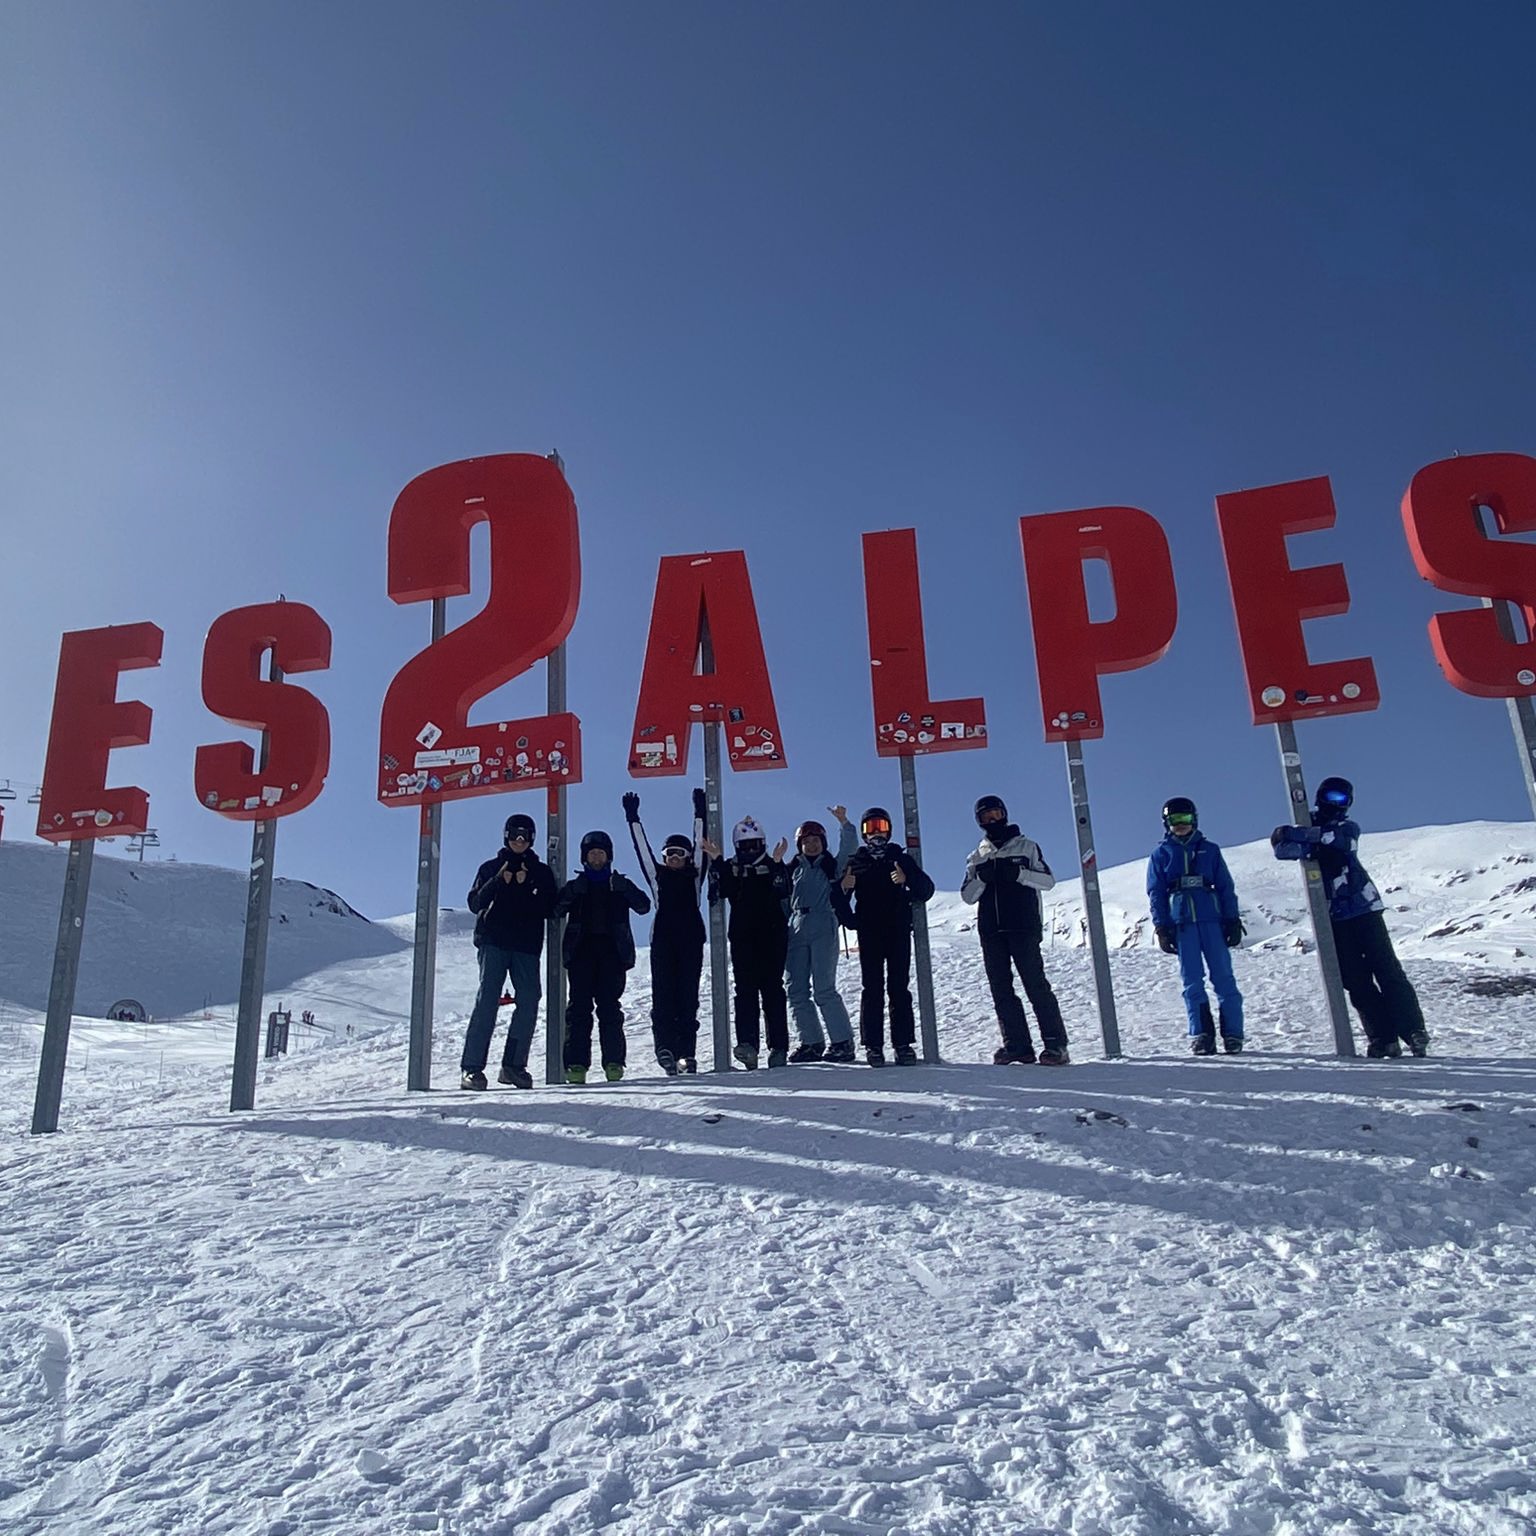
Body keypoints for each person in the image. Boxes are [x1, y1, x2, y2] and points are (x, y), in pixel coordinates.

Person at [1272, 776, 1429, 1058]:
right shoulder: (1310, 827)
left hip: (1363, 908)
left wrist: (1302, 835)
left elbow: (1341, 842)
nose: (1335, 805)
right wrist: (1294, 836)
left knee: (1387, 970)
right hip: (1332, 916)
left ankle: (1413, 1030)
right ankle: (1382, 1037)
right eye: (1331, 798)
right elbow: (1283, 849)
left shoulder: (1346, 828)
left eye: (1341, 800)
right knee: (1356, 980)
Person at [961, 795, 1070, 1066]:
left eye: (996, 814)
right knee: (1001, 988)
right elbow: (967, 895)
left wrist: (1018, 874)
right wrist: (982, 880)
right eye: (986, 817)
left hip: (1023, 926)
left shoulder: (1026, 846)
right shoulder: (977, 856)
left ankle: (1056, 1045)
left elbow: (1047, 880)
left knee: (1035, 984)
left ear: (1005, 814)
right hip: (992, 930)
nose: (993, 820)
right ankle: (1017, 1045)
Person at [460, 812, 558, 1090]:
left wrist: (528, 886)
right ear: (506, 835)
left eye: (525, 835)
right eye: (515, 834)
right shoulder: (491, 867)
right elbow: (475, 902)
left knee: (528, 1001)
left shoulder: (541, 872)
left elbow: (550, 907)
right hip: (494, 940)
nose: (519, 840)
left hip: (526, 944)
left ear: (532, 839)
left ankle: (513, 1066)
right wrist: (499, 880)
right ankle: (471, 1068)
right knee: (487, 1000)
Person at [624, 787, 713, 1075]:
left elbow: (701, 844)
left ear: (687, 857)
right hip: (663, 941)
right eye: (669, 853)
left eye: (679, 853)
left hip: (690, 941)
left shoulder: (695, 876)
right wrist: (632, 817)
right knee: (663, 997)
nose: (674, 857)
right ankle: (665, 1049)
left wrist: (700, 811)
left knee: (688, 998)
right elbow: (642, 849)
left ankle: (686, 1053)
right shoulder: (657, 876)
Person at [1147, 796, 1245, 1055]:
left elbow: (1225, 886)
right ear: (1166, 824)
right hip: (1183, 924)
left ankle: (1233, 1034)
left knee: (1224, 978)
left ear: (1194, 820)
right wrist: (1162, 926)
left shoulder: (1209, 850)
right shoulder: (1161, 854)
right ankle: (1201, 1034)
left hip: (1210, 919)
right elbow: (1156, 892)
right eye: (1175, 821)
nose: (1180, 826)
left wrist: (1232, 919)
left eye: (1185, 820)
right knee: (1192, 981)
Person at [553, 829, 652, 1083]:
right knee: (578, 1010)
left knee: (609, 1008)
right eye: (592, 853)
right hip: (581, 953)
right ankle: (576, 1065)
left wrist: (624, 888)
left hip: (613, 954)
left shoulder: (618, 883)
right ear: (584, 858)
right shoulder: (577, 885)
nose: (596, 857)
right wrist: (574, 892)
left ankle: (614, 1063)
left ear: (609, 856)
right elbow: (555, 909)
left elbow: (643, 906)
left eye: (601, 853)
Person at [839, 806, 935, 1066]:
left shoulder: (900, 858)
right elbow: (838, 900)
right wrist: (847, 900)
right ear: (863, 833)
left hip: (897, 930)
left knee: (898, 987)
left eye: (880, 827)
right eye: (870, 828)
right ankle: (873, 1046)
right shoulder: (857, 861)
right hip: (870, 933)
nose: (876, 834)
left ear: (889, 830)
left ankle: (903, 1045)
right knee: (872, 989)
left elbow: (926, 890)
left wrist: (907, 879)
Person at [711, 815, 793, 1069]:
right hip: (743, 937)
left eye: (755, 845)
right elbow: (722, 890)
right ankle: (748, 1045)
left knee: (772, 990)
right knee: (744, 991)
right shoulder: (732, 868)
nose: (750, 850)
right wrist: (716, 861)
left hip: (772, 936)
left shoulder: (773, 865)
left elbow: (784, 889)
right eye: (745, 846)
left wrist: (778, 864)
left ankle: (778, 1047)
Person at [783, 807, 858, 1063]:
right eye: (806, 841)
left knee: (824, 987)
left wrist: (844, 823)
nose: (812, 845)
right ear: (799, 845)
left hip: (823, 921)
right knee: (795, 988)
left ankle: (842, 1041)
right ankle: (811, 1041)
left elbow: (849, 850)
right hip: (796, 925)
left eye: (816, 841)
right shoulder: (793, 868)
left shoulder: (831, 867)